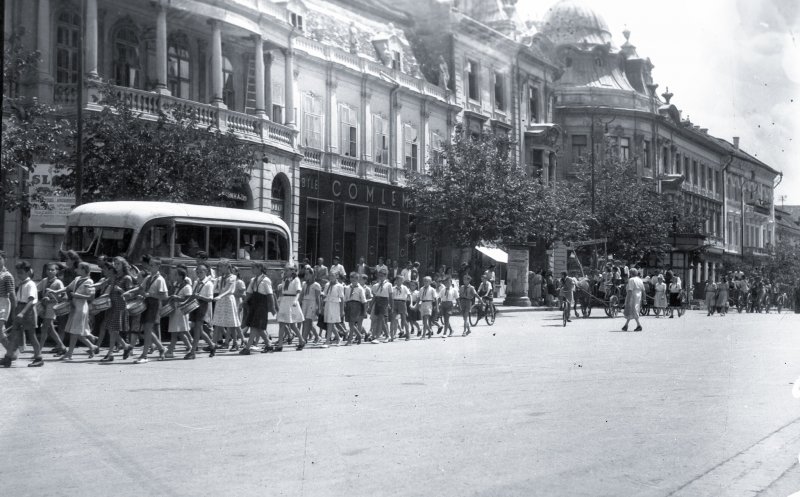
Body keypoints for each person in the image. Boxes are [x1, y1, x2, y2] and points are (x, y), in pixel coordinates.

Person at [1, 261, 42, 367]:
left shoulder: (31, 284)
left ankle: (38, 357)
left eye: (21, 272)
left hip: (27, 311)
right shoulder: (22, 284)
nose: (19, 275)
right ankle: (8, 357)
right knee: (14, 334)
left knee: (31, 336)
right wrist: (16, 311)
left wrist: (22, 313)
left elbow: (31, 301)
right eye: (18, 272)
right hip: (20, 308)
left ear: (28, 272)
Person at [127, 257, 168, 363]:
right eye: (149, 265)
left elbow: (165, 296)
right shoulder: (148, 277)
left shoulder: (160, 279)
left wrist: (150, 294)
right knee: (147, 329)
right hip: (146, 304)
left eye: (152, 265)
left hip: (154, 305)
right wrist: (130, 292)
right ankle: (161, 348)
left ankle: (144, 355)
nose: (150, 267)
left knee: (148, 329)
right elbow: (140, 288)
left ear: (158, 266)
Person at [61, 262, 100, 360]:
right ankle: (92, 345)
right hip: (74, 307)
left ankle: (70, 353)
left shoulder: (89, 281)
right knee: (74, 331)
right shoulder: (77, 279)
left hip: (81, 308)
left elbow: (91, 297)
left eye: (78, 268)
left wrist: (78, 296)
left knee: (74, 331)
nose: (76, 270)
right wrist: (56, 291)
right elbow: (68, 288)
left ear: (84, 270)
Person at [99, 257, 134, 362]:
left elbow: (130, 294)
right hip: (112, 304)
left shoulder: (127, 278)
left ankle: (110, 354)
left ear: (123, 265)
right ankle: (126, 346)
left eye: (118, 263)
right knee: (111, 329)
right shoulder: (114, 276)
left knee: (113, 329)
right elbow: (103, 284)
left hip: (120, 305)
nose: (116, 265)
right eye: (115, 263)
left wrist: (120, 290)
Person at [240, 262, 277, 354]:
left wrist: (272, 307)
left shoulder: (266, 280)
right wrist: (244, 302)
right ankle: (269, 345)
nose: (252, 270)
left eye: (254, 268)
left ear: (260, 268)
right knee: (258, 327)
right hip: (254, 304)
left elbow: (270, 295)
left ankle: (247, 348)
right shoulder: (253, 280)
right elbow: (249, 292)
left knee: (255, 326)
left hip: (261, 305)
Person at [184, 263, 216, 359]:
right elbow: (193, 294)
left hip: (202, 306)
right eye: (197, 272)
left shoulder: (209, 284)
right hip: (195, 306)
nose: (199, 273)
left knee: (197, 328)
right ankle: (212, 345)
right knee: (199, 329)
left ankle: (193, 351)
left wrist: (200, 297)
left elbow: (210, 298)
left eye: (201, 272)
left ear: (206, 272)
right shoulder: (196, 282)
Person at [37, 262, 67, 357]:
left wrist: (51, 299)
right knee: (50, 329)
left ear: (56, 271)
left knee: (44, 328)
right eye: (48, 269)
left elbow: (64, 297)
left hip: (52, 307)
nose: (50, 271)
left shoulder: (58, 282)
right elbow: (36, 289)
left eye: (52, 270)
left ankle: (38, 351)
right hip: (44, 307)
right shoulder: (44, 281)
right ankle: (62, 347)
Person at [211, 260, 242, 351]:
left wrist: (220, 296)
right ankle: (213, 344)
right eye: (219, 267)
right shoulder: (220, 278)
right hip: (220, 301)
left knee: (231, 323)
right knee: (217, 322)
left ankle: (236, 343)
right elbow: (215, 289)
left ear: (227, 267)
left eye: (222, 267)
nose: (220, 269)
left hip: (228, 300)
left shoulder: (233, 277)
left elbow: (229, 290)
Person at [275, 265, 304, 351]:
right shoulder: (284, 279)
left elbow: (298, 291)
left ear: (292, 271)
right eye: (285, 270)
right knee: (282, 323)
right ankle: (280, 345)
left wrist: (296, 300)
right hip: (284, 301)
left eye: (287, 270)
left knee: (292, 324)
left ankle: (301, 340)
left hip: (291, 300)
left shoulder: (296, 280)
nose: (285, 272)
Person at [299, 266, 322, 346]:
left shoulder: (316, 285)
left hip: (312, 303)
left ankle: (303, 340)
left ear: (312, 275)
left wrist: (318, 308)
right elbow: (301, 295)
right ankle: (317, 336)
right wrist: (298, 303)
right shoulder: (304, 284)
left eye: (308, 274)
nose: (306, 276)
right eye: (305, 274)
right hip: (305, 303)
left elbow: (318, 297)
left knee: (308, 321)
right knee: (305, 321)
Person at [321, 271, 345, 348]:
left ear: (336, 276)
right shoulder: (327, 284)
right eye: (330, 275)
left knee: (330, 323)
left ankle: (327, 341)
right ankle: (338, 338)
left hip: (335, 305)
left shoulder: (339, 286)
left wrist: (342, 310)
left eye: (333, 275)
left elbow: (342, 298)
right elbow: (324, 295)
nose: (331, 277)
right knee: (329, 323)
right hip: (328, 304)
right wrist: (322, 306)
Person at [0, 251, 17, 358]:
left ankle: (11, 352)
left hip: (3, 304)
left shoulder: (7, 276)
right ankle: (12, 352)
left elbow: (12, 294)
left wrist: (15, 312)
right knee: (1, 332)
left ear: (4, 259)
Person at [370, 268, 392, 343]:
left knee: (380, 319)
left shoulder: (389, 285)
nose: (381, 277)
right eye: (379, 276)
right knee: (381, 320)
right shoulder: (376, 285)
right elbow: (374, 296)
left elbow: (390, 296)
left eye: (382, 276)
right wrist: (370, 306)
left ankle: (377, 337)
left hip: (384, 301)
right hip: (377, 302)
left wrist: (391, 305)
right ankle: (388, 336)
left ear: (386, 276)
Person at [344, 272, 367, 345]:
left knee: (352, 323)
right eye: (352, 278)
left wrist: (365, 311)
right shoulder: (347, 287)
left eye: (355, 278)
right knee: (350, 324)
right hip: (348, 305)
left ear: (358, 279)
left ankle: (349, 340)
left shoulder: (360, 289)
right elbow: (345, 298)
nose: (353, 280)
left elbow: (364, 300)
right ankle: (359, 335)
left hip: (356, 305)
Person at [390, 275, 410, 341]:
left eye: (401, 280)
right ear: (396, 280)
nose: (399, 281)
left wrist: (408, 303)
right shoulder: (393, 288)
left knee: (404, 320)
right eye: (398, 280)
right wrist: (392, 306)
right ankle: (391, 336)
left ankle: (408, 335)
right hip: (395, 302)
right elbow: (391, 297)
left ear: (403, 281)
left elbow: (409, 295)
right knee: (393, 320)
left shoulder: (404, 288)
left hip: (402, 302)